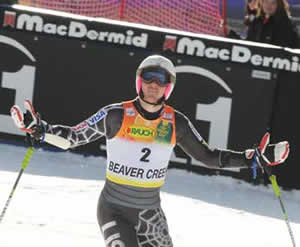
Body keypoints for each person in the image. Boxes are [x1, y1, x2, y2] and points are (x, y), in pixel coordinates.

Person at [10, 55, 290, 247]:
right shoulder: (116, 115)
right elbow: (72, 137)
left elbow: (208, 156)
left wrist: (251, 159)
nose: (153, 85)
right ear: (139, 81)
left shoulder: (175, 122)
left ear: (168, 87)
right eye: (148, 78)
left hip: (149, 214)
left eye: (160, 80)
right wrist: (40, 130)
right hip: (113, 209)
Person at [228, 0, 300, 48]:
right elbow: (248, 45)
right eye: (266, 1)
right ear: (261, 3)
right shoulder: (257, 21)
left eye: (273, 3)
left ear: (279, 5)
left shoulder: (286, 24)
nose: (269, 5)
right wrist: (230, 34)